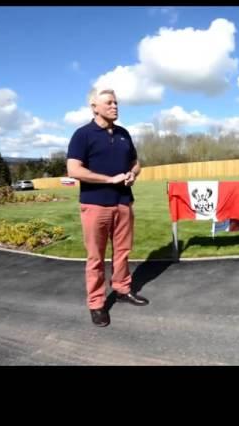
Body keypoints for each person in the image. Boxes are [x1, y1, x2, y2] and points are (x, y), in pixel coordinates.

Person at [67, 88, 148, 328]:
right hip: (95, 204)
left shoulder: (124, 134)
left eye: (116, 102)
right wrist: (108, 179)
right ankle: (97, 304)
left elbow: (136, 163)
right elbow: (74, 170)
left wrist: (132, 174)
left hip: (123, 202)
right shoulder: (82, 135)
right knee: (96, 257)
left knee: (122, 251)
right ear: (94, 107)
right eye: (109, 103)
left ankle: (122, 290)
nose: (115, 106)